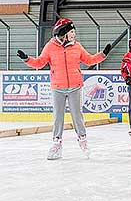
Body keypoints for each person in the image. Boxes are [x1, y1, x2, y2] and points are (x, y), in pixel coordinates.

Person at [17, 18, 111, 160]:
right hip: (58, 87)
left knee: (77, 116)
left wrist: (103, 54)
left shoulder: (77, 46)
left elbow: (90, 60)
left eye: (73, 32)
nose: (73, 34)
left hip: (75, 87)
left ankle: (83, 141)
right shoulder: (50, 47)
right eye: (71, 32)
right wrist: (27, 59)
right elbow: (40, 62)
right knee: (58, 117)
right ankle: (56, 144)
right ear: (63, 33)